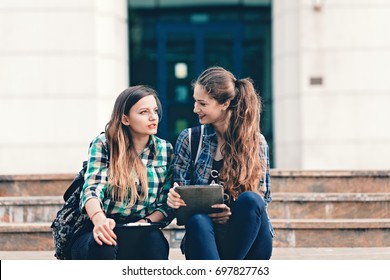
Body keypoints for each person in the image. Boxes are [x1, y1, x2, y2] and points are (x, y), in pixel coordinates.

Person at [167, 66, 274, 260]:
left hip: (247, 237)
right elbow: (180, 191)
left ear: (224, 103)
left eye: (202, 103)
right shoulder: (189, 139)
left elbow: (262, 198)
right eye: (195, 102)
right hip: (204, 236)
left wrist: (230, 212)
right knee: (198, 220)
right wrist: (174, 199)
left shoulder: (256, 142)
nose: (195, 109)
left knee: (252, 199)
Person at [71, 85, 174, 260]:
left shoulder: (165, 150)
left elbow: (166, 204)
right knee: (105, 242)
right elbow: (92, 188)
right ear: (125, 119)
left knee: (154, 241)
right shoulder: (104, 143)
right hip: (97, 228)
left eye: (155, 111)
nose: (153, 117)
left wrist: (144, 223)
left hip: (139, 230)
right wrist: (100, 220)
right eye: (143, 112)